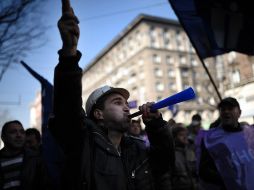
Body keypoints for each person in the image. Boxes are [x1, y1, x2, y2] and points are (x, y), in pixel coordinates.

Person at [49, 1, 175, 190]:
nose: (127, 107)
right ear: (99, 114)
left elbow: (164, 165)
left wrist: (156, 126)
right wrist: (69, 53)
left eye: (126, 103)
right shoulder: (82, 144)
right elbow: (67, 105)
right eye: (118, 102)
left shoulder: (136, 147)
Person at [199, 97, 254, 190]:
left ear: (239, 112)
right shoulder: (211, 139)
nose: (226, 111)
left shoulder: (250, 134)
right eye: (223, 109)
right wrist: (228, 179)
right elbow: (204, 171)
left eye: (230, 108)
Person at [0, 120, 52, 190]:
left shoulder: (35, 159)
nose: (19, 135)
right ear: (3, 137)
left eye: (22, 132)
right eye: (13, 132)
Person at [171, 125, 198, 190]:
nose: (185, 137)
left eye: (186, 134)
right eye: (181, 135)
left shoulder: (190, 151)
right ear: (174, 137)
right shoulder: (172, 154)